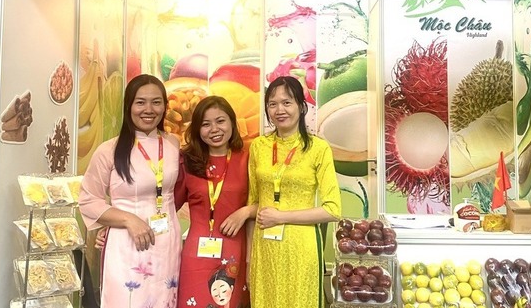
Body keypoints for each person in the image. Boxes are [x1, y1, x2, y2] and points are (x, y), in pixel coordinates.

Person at [79, 74, 181, 308]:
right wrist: (128, 219)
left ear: (165, 106)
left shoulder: (173, 144)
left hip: (167, 242)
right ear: (128, 106)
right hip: (126, 243)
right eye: (140, 102)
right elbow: (88, 200)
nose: (149, 109)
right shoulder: (109, 150)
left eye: (156, 102)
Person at [246, 75, 341, 308]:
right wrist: (249, 258)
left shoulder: (318, 148)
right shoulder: (258, 146)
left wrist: (281, 217)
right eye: (273, 104)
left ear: (301, 105)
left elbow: (332, 210)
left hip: (301, 247)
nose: (280, 110)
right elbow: (253, 202)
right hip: (264, 248)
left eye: (287, 102)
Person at [175, 95, 253, 308]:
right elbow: (167, 204)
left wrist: (246, 212)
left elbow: (266, 203)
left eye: (220, 121)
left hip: (233, 251)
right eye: (206, 124)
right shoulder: (187, 161)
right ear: (197, 129)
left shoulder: (247, 159)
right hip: (195, 254)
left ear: (232, 123)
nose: (214, 129)